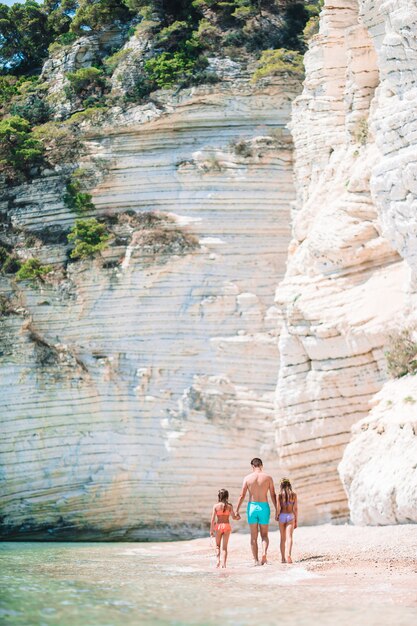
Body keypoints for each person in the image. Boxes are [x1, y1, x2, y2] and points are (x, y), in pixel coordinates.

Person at [235, 457, 277, 566]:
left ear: (252, 466)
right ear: (261, 466)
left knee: (253, 536)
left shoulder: (247, 478)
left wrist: (236, 510)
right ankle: (264, 554)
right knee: (264, 535)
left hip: (252, 508)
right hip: (264, 507)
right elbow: (273, 494)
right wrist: (277, 509)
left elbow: (242, 495)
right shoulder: (268, 478)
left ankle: (255, 560)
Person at [210, 488, 240, 568]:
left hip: (219, 526)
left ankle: (217, 561)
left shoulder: (215, 506)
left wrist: (211, 530)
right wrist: (238, 517)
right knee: (224, 548)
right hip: (227, 526)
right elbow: (234, 517)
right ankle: (224, 564)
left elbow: (212, 520)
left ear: (219, 496)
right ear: (227, 496)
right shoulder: (230, 506)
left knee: (217, 546)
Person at [276, 477, 298, 563]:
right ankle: (288, 554)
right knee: (289, 537)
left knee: (282, 538)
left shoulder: (279, 495)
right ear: (289, 484)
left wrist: (276, 515)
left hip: (282, 516)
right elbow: (295, 508)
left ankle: (282, 558)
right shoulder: (294, 494)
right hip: (290, 516)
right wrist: (296, 520)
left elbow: (278, 508)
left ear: (281, 485)